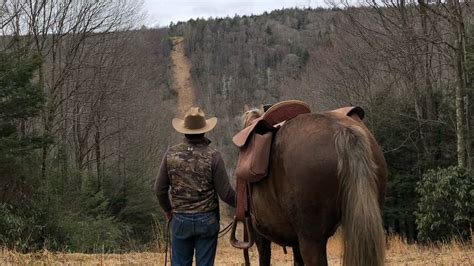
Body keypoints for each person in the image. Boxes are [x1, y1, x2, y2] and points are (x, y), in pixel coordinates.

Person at [155, 106, 236, 266]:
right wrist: (243, 206)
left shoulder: (171, 154)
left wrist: (168, 210)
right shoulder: (214, 156)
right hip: (207, 220)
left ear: (184, 131)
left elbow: (159, 190)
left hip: (180, 219)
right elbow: (226, 193)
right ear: (204, 131)